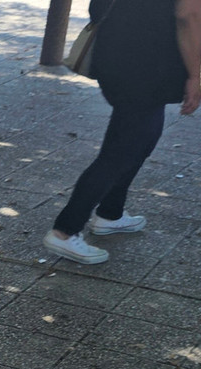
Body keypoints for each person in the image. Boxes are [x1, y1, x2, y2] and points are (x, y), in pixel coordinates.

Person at [43, 0, 201, 265]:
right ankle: (65, 230)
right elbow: (189, 14)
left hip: (119, 48)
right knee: (124, 148)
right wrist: (196, 75)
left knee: (141, 137)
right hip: (147, 59)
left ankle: (110, 213)